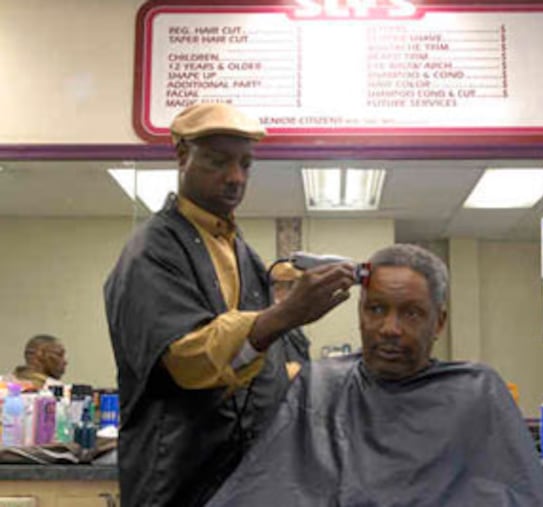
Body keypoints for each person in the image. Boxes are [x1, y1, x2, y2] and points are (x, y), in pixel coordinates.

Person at [103, 103, 357, 507]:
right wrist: (285, 314)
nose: (235, 177)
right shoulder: (152, 251)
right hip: (177, 480)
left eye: (245, 164)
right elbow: (188, 359)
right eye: (219, 162)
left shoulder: (242, 253)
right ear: (183, 156)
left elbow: (268, 365)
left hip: (245, 482)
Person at [208, 244, 543, 507]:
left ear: (440, 322)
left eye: (411, 313)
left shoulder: (476, 393)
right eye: (376, 309)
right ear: (360, 313)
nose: (390, 328)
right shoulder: (319, 388)